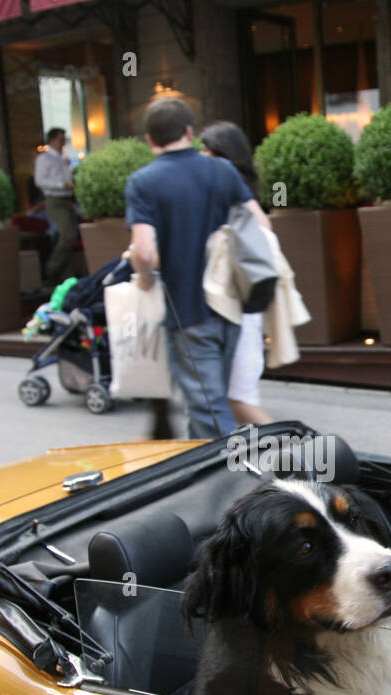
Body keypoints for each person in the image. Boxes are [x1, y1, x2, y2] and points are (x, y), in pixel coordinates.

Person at [125, 98, 271, 439]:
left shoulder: (143, 182)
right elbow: (262, 226)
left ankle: (234, 479)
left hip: (187, 312)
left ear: (150, 139)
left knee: (209, 409)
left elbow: (144, 253)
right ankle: (203, 478)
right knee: (206, 401)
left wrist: (145, 280)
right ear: (189, 132)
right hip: (230, 305)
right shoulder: (222, 170)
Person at [199, 120, 273, 427]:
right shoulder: (238, 189)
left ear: (221, 154)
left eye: (205, 149)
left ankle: (306, 456)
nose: (199, 155)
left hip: (233, 303)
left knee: (237, 398)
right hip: (240, 300)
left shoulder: (225, 190)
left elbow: (264, 230)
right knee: (231, 398)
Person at [34, 127, 79, 284]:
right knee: (67, 235)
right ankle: (51, 269)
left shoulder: (62, 158)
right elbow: (40, 181)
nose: (62, 143)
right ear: (52, 140)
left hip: (67, 200)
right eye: (60, 140)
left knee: (68, 236)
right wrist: (61, 185)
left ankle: (67, 277)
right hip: (54, 199)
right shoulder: (44, 159)